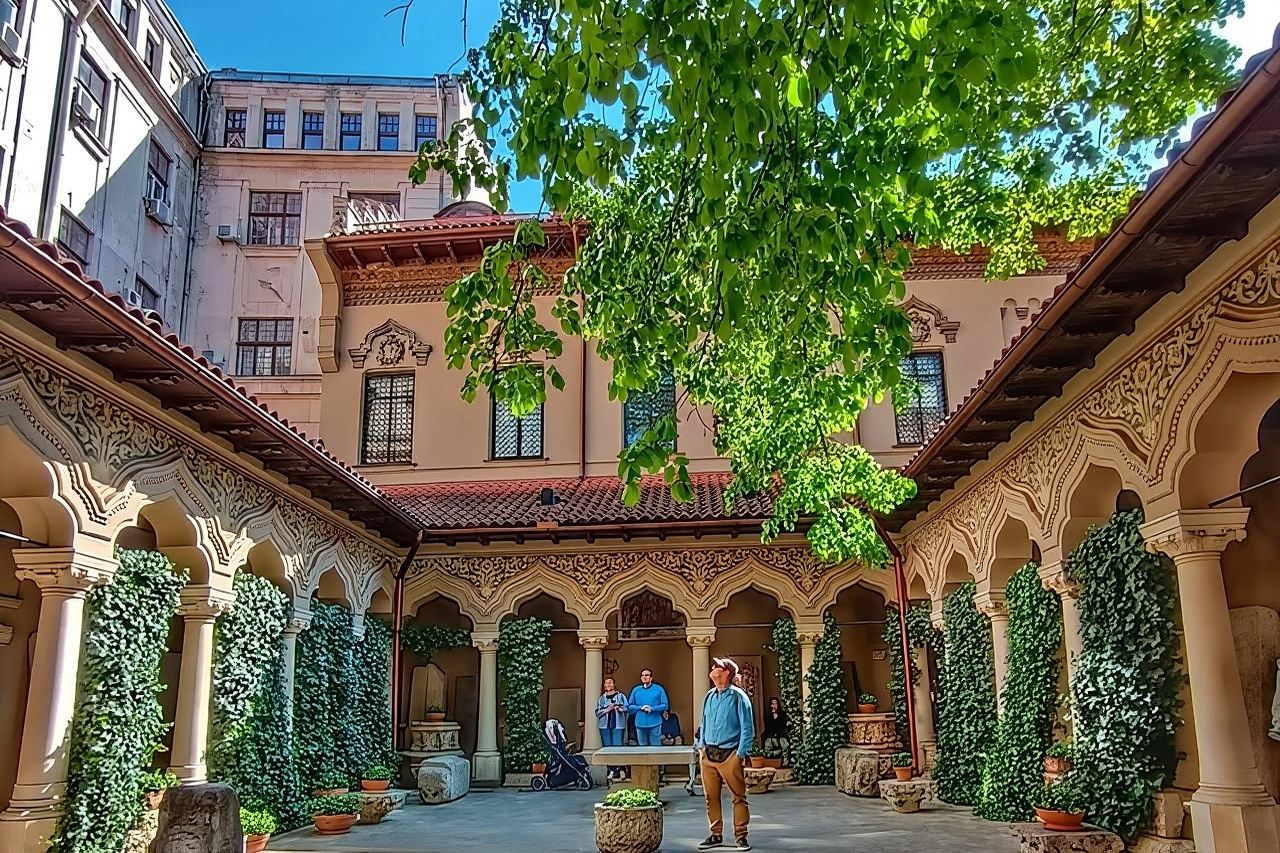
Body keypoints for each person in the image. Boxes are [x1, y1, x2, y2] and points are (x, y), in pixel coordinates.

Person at [698, 657, 755, 851]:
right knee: (710, 797)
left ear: (727, 673)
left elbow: (747, 727)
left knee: (738, 797)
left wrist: (740, 754)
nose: (713, 670)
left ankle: (741, 836)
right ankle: (715, 834)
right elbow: (704, 722)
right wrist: (701, 746)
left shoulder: (739, 696)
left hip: (730, 754)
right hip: (708, 755)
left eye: (718, 667)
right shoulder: (709, 695)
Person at [595, 676, 628, 780]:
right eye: (606, 683)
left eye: (610, 682)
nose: (608, 684)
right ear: (604, 686)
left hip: (618, 725)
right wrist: (608, 709)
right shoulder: (602, 698)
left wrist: (620, 709)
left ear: (614, 684)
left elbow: (627, 707)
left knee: (618, 747)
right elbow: (597, 712)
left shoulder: (621, 696)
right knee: (607, 748)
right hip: (605, 726)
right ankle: (612, 770)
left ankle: (621, 769)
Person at [627, 668, 669, 746]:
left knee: (655, 747)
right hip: (640, 723)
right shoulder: (636, 690)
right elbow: (629, 706)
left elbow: (665, 705)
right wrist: (641, 707)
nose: (644, 677)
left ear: (651, 678)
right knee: (642, 748)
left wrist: (652, 708)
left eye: (646, 675)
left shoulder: (659, 689)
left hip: (655, 723)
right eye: (642, 675)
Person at [761, 696, 791, 766]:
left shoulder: (782, 714)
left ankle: (785, 762)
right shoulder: (768, 715)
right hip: (771, 736)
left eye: (775, 704)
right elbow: (768, 726)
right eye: (772, 704)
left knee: (785, 746)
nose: (774, 706)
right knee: (768, 752)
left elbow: (783, 725)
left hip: (781, 736)